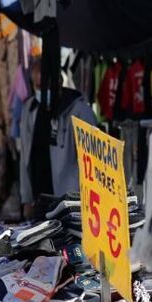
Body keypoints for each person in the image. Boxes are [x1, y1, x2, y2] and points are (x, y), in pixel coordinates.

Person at [18, 58, 97, 218]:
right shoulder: (30, 108)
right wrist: (26, 199)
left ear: (58, 83)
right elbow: (25, 156)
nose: (42, 92)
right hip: (39, 198)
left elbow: (93, 160)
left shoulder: (79, 111)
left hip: (69, 200)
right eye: (38, 87)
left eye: (46, 86)